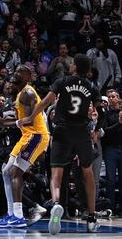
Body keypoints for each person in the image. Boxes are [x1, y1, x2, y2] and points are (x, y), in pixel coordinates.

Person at [18, 53, 103, 233]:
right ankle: (92, 216)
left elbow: (44, 103)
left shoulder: (62, 82)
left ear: (75, 66)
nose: (70, 64)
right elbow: (101, 113)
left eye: (72, 63)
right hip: (82, 133)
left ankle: (57, 203)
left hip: (62, 131)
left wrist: (30, 117)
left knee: (56, 174)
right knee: (87, 173)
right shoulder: (91, 86)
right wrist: (95, 132)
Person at [0, 65, 49, 228]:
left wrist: (7, 123)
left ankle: (18, 216)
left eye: (20, 73)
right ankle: (11, 214)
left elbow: (29, 121)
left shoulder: (28, 93)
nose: (16, 74)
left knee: (15, 173)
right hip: (27, 136)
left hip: (36, 136)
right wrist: (4, 123)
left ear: (28, 77)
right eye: (15, 71)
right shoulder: (20, 94)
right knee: (6, 171)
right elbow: (22, 122)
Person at [102, 89, 122, 214]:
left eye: (113, 96)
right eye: (109, 97)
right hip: (111, 149)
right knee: (110, 179)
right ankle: (110, 206)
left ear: (119, 98)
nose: (111, 99)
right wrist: (119, 123)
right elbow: (105, 132)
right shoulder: (106, 114)